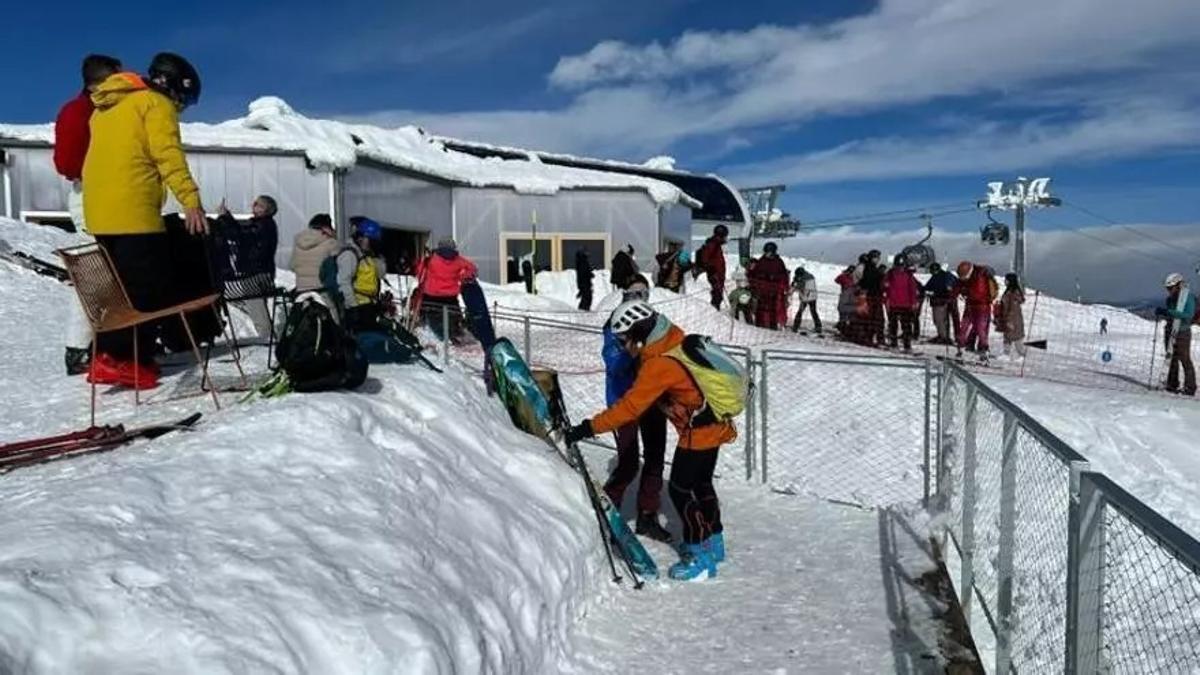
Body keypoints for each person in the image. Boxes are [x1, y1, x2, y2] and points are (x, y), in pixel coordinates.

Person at [565, 301, 735, 580]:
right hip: (714, 424)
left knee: (681, 490)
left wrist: (587, 427)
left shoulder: (658, 364)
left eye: (623, 340)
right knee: (702, 483)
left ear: (639, 333)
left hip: (698, 433)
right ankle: (715, 543)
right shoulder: (672, 337)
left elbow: (629, 408)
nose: (622, 347)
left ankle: (700, 555)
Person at [82, 52, 206, 390]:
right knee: (148, 292)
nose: (180, 107)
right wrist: (191, 200)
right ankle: (126, 361)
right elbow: (166, 153)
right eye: (183, 100)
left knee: (120, 292)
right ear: (174, 87)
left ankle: (107, 356)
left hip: (99, 212)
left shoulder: (105, 107)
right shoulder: (155, 104)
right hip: (134, 210)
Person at [55, 54, 122, 375]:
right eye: (114, 78)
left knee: (111, 271)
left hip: (108, 195)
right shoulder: (79, 112)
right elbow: (67, 164)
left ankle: (102, 344)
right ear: (98, 81)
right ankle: (79, 349)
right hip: (91, 195)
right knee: (94, 272)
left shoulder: (102, 109)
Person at [599, 276, 671, 543]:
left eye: (644, 293)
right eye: (634, 293)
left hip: (653, 400)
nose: (639, 298)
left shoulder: (653, 321)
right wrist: (630, 347)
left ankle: (647, 515)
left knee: (655, 458)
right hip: (625, 402)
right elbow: (614, 365)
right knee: (629, 462)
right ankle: (608, 509)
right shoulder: (616, 324)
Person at [213, 195, 278, 338]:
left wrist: (224, 218)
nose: (253, 205)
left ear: (266, 209)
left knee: (257, 308)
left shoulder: (263, 226)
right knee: (256, 306)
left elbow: (240, 234)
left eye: (258, 204)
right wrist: (228, 217)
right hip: (257, 272)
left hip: (255, 274)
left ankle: (267, 339)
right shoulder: (262, 224)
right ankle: (267, 336)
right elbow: (240, 229)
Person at [418, 236, 478, 341]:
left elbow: (420, 272)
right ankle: (455, 333)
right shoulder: (458, 260)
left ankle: (431, 334)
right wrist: (462, 277)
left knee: (430, 317)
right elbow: (472, 268)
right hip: (450, 296)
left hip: (431, 295)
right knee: (453, 316)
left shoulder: (431, 258)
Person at [335, 218, 388, 330]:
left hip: (370, 306)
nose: (373, 245)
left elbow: (381, 274)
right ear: (360, 238)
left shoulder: (368, 256)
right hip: (357, 306)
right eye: (371, 241)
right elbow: (343, 282)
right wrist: (352, 307)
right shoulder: (350, 255)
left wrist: (378, 256)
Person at [1155, 273, 1196, 396]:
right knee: (1171, 358)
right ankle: (1172, 384)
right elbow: (1172, 314)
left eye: (1170, 287)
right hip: (1170, 330)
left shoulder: (1188, 297)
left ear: (1178, 285)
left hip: (1183, 332)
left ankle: (1190, 387)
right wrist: (1166, 313)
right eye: (1167, 288)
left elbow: (1188, 316)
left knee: (1184, 359)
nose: (1168, 290)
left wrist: (1168, 312)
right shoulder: (1171, 299)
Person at [955, 261, 998, 362]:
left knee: (980, 329)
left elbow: (978, 293)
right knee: (964, 327)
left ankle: (984, 350)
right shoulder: (969, 278)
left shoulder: (980, 277)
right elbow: (959, 286)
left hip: (982, 307)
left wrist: (965, 291)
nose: (963, 279)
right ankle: (961, 348)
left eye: (964, 277)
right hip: (971, 305)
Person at [291, 214, 339, 293]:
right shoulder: (331, 242)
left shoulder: (299, 240)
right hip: (322, 290)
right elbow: (339, 266)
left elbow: (292, 266)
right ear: (326, 227)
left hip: (301, 289)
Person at [747, 242, 788, 329]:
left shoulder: (779, 263)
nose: (767, 254)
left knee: (773, 311)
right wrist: (751, 274)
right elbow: (753, 275)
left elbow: (784, 276)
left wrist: (775, 278)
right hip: (762, 291)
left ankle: (773, 327)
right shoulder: (761, 261)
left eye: (769, 253)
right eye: (766, 252)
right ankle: (758, 326)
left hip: (774, 291)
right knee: (760, 310)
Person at [884, 256, 921, 352]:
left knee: (906, 326)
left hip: (906, 304)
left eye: (901, 266)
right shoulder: (890, 274)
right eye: (898, 266)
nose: (900, 268)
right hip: (893, 303)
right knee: (893, 325)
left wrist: (914, 302)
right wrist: (886, 299)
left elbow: (912, 289)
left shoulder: (908, 275)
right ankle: (894, 344)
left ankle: (907, 345)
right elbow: (885, 287)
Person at [696, 224, 729, 310]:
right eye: (725, 236)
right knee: (717, 296)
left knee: (718, 296)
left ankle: (715, 313)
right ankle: (713, 312)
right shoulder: (712, 245)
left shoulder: (716, 245)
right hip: (715, 275)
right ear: (721, 235)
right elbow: (705, 259)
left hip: (718, 275)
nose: (726, 238)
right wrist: (711, 269)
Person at [924, 263, 958, 345]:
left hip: (942, 302)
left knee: (941, 320)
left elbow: (947, 289)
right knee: (938, 320)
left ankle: (944, 337)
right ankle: (942, 335)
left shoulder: (945, 276)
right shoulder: (938, 276)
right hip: (938, 302)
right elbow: (928, 287)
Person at [857, 250, 886, 346]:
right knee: (874, 319)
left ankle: (873, 338)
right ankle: (871, 338)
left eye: (878, 258)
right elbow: (866, 282)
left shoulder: (872, 268)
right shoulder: (868, 268)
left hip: (874, 296)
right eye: (876, 257)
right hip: (872, 296)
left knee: (876, 319)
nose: (877, 259)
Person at [999, 273, 1027, 358]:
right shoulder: (1010, 291)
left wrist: (1009, 319)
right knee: (1008, 337)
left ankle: (1021, 355)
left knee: (1016, 337)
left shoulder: (1013, 293)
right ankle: (1006, 354)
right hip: (1011, 318)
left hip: (1013, 319)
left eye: (1006, 280)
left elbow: (1013, 308)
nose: (1005, 281)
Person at [790, 265, 821, 334]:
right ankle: (818, 327)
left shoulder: (803, 279)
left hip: (806, 297)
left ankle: (795, 326)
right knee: (814, 312)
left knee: (800, 312)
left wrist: (794, 285)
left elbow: (800, 288)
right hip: (813, 297)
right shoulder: (810, 276)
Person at [834, 265, 857, 336]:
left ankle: (844, 328)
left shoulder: (851, 277)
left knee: (847, 313)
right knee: (845, 313)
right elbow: (837, 280)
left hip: (849, 296)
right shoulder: (847, 277)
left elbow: (837, 280)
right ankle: (843, 328)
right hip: (848, 296)